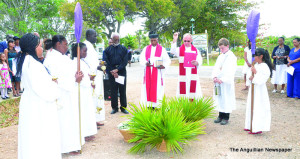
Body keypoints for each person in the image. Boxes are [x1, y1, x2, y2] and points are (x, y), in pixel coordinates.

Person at [17, 33, 61, 159]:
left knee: (32, 138)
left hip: (32, 104)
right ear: (33, 47)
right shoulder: (34, 66)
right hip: (39, 106)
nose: (42, 48)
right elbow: (45, 91)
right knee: (40, 138)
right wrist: (54, 85)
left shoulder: (27, 62)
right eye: (40, 45)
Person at [43, 35, 87, 154]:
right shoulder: (52, 58)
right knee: (65, 120)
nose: (67, 46)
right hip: (61, 94)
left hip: (69, 92)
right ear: (58, 44)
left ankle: (73, 143)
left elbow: (69, 72)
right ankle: (67, 147)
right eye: (65, 44)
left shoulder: (61, 57)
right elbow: (56, 78)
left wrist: (77, 75)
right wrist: (74, 79)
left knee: (71, 118)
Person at [245, 48, 272, 134]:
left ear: (261, 56)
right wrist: (250, 77)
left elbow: (262, 79)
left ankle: (257, 127)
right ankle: (249, 125)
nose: (254, 58)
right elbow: (250, 75)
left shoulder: (265, 66)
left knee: (258, 107)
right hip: (253, 89)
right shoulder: (255, 65)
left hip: (260, 91)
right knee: (251, 105)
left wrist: (255, 73)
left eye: (256, 56)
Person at [139, 32, 171, 108]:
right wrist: (145, 63)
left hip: (157, 73)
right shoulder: (146, 48)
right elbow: (141, 60)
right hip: (148, 72)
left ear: (157, 40)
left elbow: (168, 61)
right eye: (152, 40)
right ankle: (148, 105)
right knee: (147, 89)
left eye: (154, 40)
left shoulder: (162, 49)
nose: (153, 42)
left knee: (157, 89)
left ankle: (157, 106)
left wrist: (163, 66)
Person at [212, 38, 237, 125]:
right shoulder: (220, 56)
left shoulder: (232, 57)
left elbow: (231, 71)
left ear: (227, 46)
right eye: (220, 48)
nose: (221, 50)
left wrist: (222, 79)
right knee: (220, 98)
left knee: (226, 98)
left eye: (223, 48)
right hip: (218, 81)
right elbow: (216, 67)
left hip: (226, 82)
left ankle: (226, 117)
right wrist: (214, 77)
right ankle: (220, 115)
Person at [170, 32, 203, 100]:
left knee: (194, 91)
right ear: (183, 40)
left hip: (192, 75)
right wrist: (175, 39)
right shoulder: (180, 50)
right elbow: (172, 51)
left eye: (188, 41)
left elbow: (200, 60)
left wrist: (197, 63)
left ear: (191, 40)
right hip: (183, 75)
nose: (186, 43)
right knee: (183, 90)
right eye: (185, 41)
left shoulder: (196, 50)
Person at [84, 29, 105, 128]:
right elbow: (86, 62)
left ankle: (96, 119)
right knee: (92, 98)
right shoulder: (85, 46)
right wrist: (97, 67)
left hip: (96, 75)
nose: (96, 38)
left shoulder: (91, 46)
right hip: (91, 76)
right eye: (94, 36)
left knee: (97, 98)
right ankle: (91, 122)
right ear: (88, 36)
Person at [103, 33, 129, 114]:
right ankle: (114, 108)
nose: (117, 41)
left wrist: (117, 70)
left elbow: (125, 61)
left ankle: (123, 107)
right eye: (115, 39)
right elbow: (106, 61)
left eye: (118, 39)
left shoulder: (124, 49)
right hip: (111, 72)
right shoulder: (107, 50)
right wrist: (113, 71)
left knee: (122, 90)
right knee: (113, 91)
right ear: (112, 39)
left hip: (121, 72)